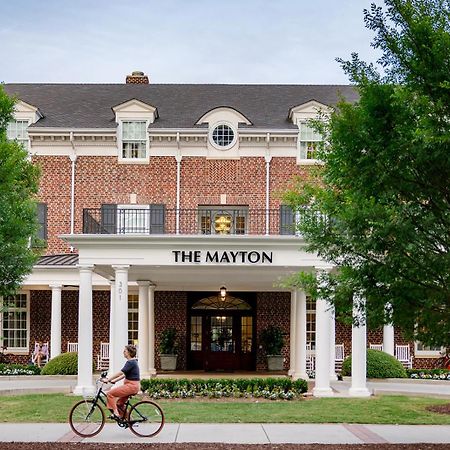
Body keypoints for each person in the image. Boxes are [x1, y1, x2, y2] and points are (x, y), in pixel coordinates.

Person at [103, 344, 140, 419]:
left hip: (131, 386)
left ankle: (116, 413)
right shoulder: (133, 362)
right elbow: (124, 375)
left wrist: (108, 379)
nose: (123, 352)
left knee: (110, 394)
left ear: (129, 352)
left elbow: (121, 372)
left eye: (125, 351)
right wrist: (114, 381)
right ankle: (129, 420)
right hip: (133, 386)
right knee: (119, 404)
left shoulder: (130, 362)